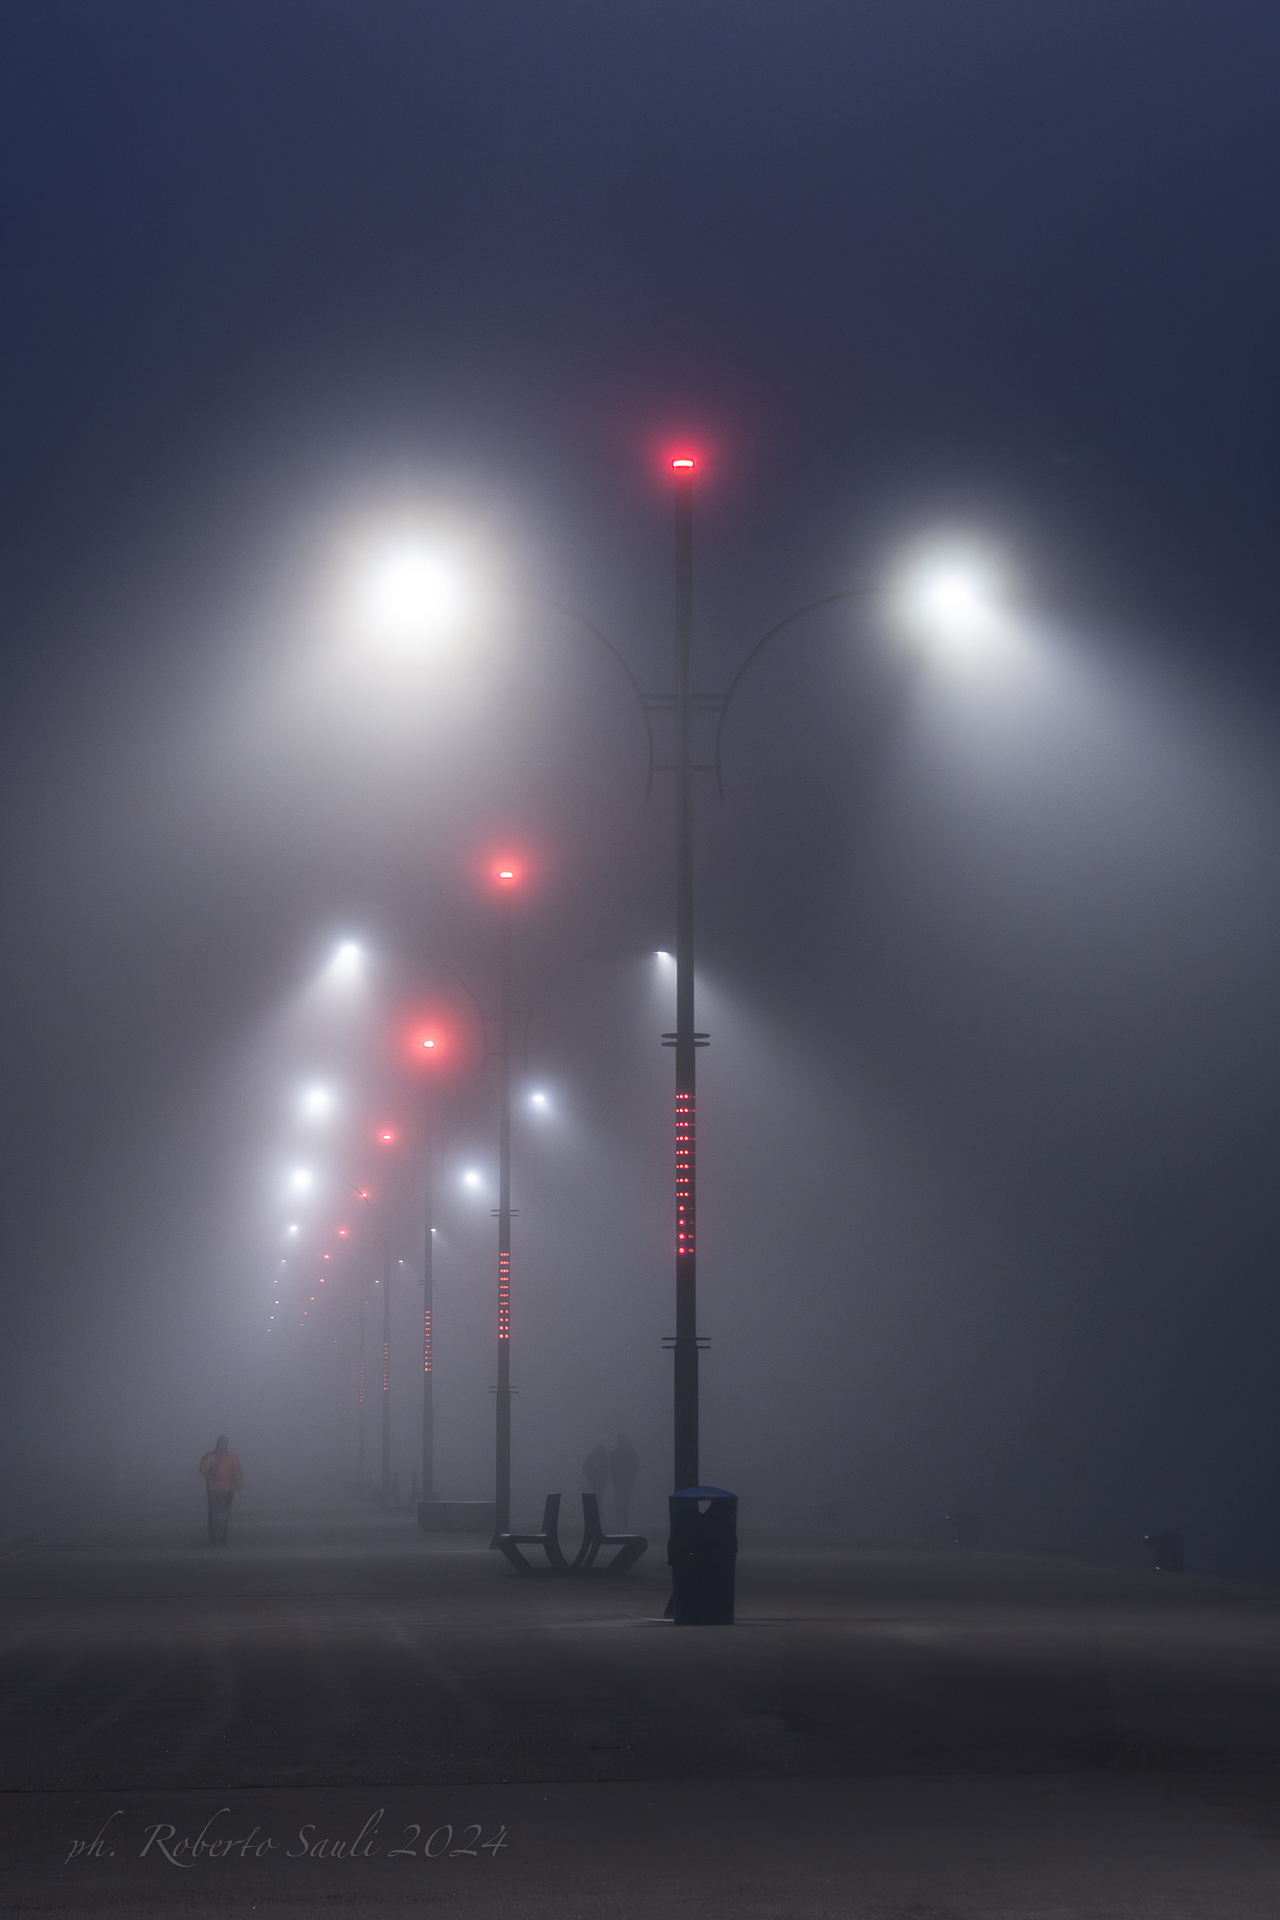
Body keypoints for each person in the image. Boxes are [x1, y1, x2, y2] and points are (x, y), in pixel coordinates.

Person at [198, 1434, 243, 1544]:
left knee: (224, 1513)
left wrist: (239, 1488)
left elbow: (237, 1474)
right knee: (214, 1512)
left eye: (224, 1443)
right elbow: (202, 1468)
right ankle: (213, 1535)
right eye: (221, 1443)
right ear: (217, 1444)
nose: (222, 1445)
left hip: (227, 1489)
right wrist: (209, 1473)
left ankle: (222, 1534)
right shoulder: (210, 1457)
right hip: (213, 1489)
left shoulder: (232, 1458)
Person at [609, 1434, 638, 1528]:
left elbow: (634, 1467)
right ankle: (620, 1519)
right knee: (621, 1498)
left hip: (624, 1480)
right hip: (620, 1480)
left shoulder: (616, 1453)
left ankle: (622, 1519)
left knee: (624, 1498)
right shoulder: (627, 1453)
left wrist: (631, 1478)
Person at [581, 1441, 610, 1506]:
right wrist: (590, 1477)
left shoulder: (604, 1459)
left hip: (599, 1483)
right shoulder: (591, 1458)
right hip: (593, 1482)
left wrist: (602, 1478)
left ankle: (597, 1514)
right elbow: (585, 1468)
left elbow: (607, 1471)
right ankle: (592, 1514)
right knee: (592, 1499)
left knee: (598, 1499)